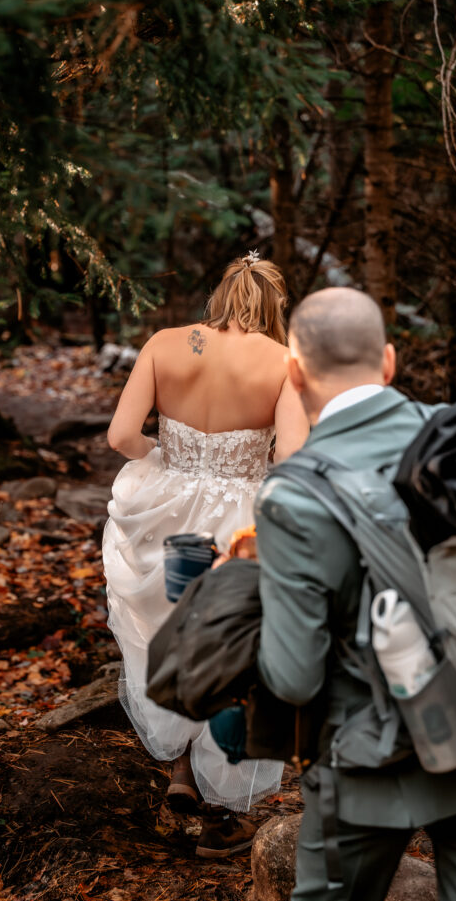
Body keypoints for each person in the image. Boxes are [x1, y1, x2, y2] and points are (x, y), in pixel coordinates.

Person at [254, 287, 456, 901]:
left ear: (294, 373)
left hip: (370, 768)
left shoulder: (295, 496)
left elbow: (294, 680)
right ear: (388, 362)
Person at [102, 252, 309, 858]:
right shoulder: (284, 366)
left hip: (166, 511)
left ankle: (180, 774)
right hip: (240, 518)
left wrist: (168, 462)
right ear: (273, 307)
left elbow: (120, 437)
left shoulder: (165, 343)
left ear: (220, 296)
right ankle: (221, 813)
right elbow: (292, 462)